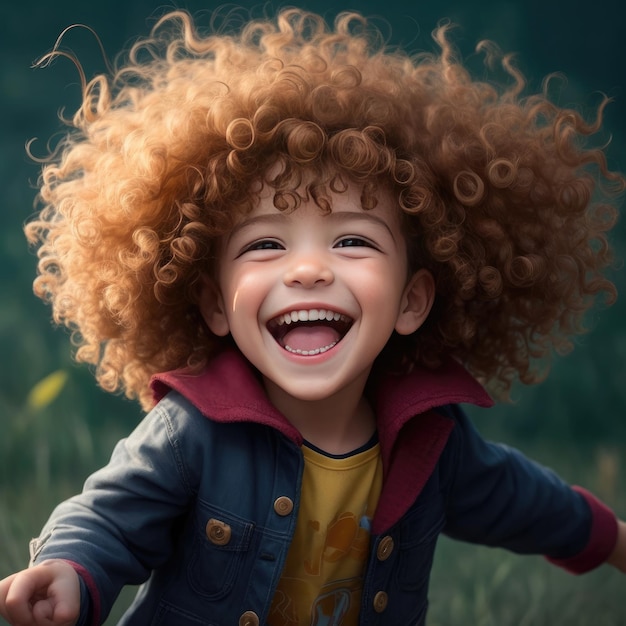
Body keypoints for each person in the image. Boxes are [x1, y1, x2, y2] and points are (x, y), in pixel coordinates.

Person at [1, 7, 625, 626]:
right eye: (265, 244)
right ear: (216, 304)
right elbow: (109, 519)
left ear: (412, 300)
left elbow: (522, 501)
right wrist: (68, 570)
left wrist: (611, 538)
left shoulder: (432, 439)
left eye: (352, 241)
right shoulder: (190, 433)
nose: (307, 270)